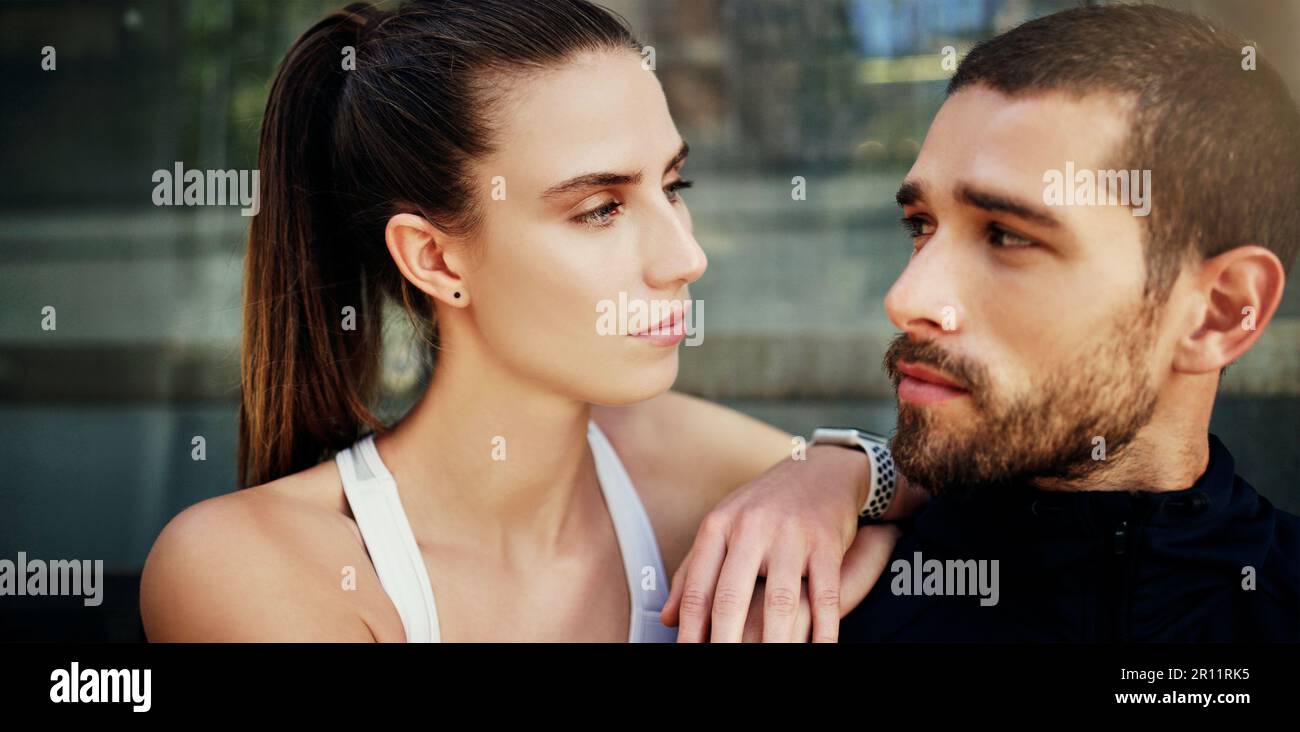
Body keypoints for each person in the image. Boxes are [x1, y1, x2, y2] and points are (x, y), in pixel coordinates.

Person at [139, 0, 913, 643]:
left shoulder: (665, 454)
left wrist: (832, 475)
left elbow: (955, 485)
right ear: (437, 260)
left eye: (674, 185)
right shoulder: (246, 565)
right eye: (600, 209)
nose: (685, 256)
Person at [827, 4, 1298, 641]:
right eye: (921, 226)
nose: (906, 298)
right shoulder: (801, 607)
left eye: (1006, 236)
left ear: (1216, 311)